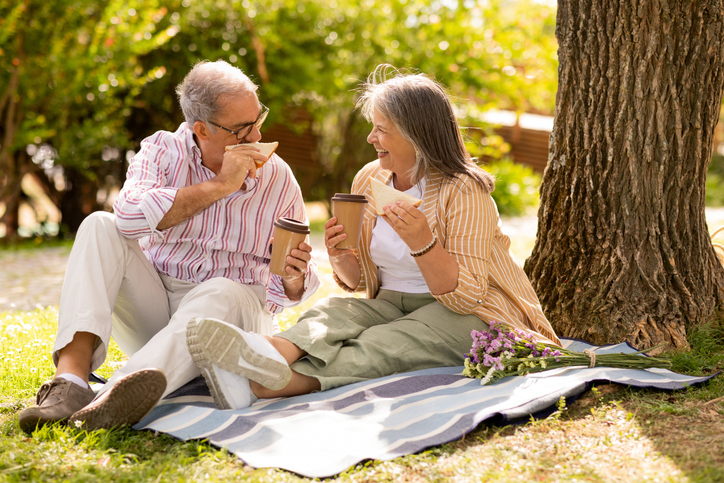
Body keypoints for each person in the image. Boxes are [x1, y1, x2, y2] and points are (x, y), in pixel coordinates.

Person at [184, 64, 561, 410]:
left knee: (389, 343)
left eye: (381, 128)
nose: (370, 137)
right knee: (334, 314)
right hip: (390, 301)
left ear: (417, 134)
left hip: (469, 314)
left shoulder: (464, 191)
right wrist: (340, 257)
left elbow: (468, 296)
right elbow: (358, 282)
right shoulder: (370, 179)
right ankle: (256, 355)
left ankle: (269, 385)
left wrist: (422, 242)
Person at [18, 60, 320, 433]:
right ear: (201, 130)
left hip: (236, 315)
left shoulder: (279, 178)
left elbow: (290, 291)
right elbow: (128, 217)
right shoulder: (162, 150)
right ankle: (70, 384)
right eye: (243, 130)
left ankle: (113, 396)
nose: (257, 137)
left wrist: (293, 277)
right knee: (100, 225)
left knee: (220, 289)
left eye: (259, 120)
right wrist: (220, 186)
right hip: (161, 307)